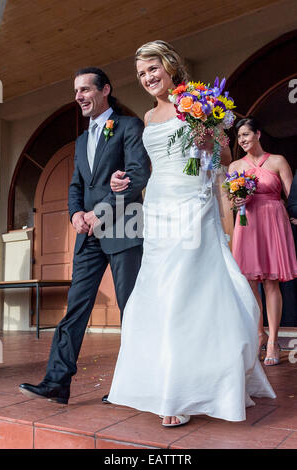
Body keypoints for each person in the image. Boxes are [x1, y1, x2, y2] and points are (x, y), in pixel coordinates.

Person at [107, 40, 276, 427]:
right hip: (159, 208)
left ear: (169, 66)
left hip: (193, 206)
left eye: (152, 68)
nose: (147, 78)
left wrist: (210, 142)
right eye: (140, 74)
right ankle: (170, 383)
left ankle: (183, 393)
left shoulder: (196, 103)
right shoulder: (147, 120)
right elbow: (151, 169)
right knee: (159, 292)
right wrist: (124, 181)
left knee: (187, 291)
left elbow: (223, 160)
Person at [19, 67, 150, 404]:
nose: (78, 96)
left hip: (124, 228)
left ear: (105, 90)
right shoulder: (80, 141)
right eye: (76, 91)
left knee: (130, 309)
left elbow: (136, 176)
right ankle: (56, 383)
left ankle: (136, 385)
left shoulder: (128, 126)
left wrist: (100, 212)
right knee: (75, 309)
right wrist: (76, 214)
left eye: (85, 89)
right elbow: (76, 184)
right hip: (88, 235)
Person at [229, 118, 297, 366]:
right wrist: (235, 202)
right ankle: (259, 334)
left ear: (258, 133)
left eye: (247, 134)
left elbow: (292, 196)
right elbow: (231, 199)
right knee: (249, 282)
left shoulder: (278, 160)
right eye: (239, 137)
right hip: (247, 225)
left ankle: (273, 341)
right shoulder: (235, 165)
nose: (243, 140)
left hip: (273, 222)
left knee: (270, 282)